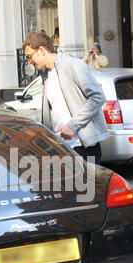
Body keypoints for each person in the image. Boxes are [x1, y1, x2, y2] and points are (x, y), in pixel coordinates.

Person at [22, 31, 109, 165]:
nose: (29, 61)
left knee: (88, 186)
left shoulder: (73, 65)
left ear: (41, 50)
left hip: (84, 148)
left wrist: (72, 126)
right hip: (61, 149)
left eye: (29, 56)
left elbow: (98, 97)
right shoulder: (46, 76)